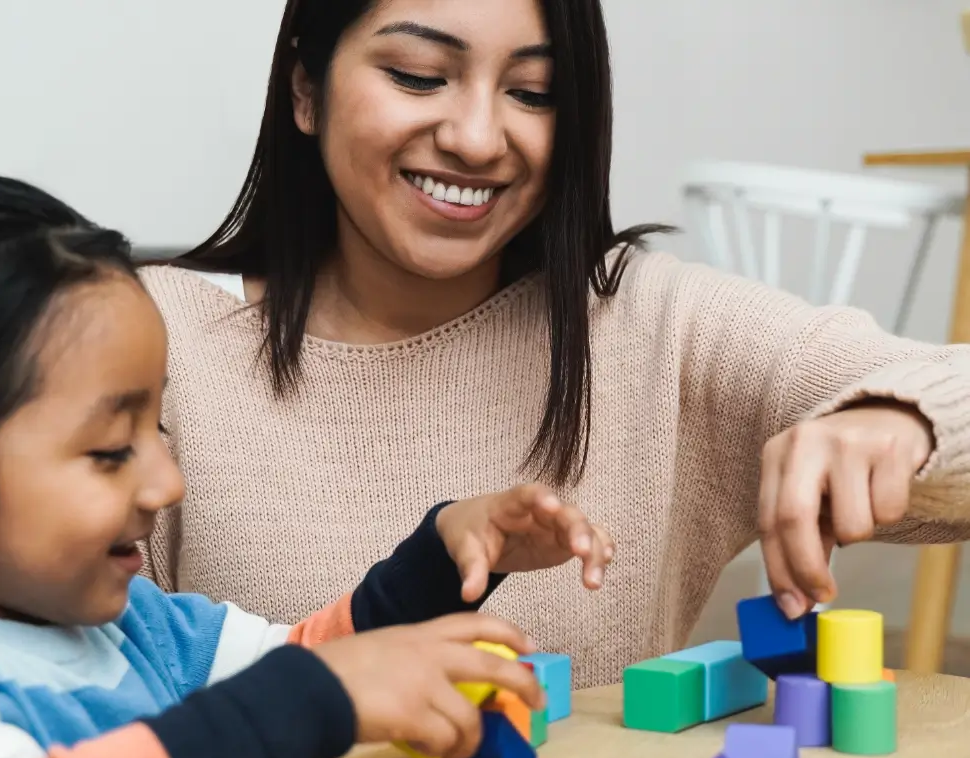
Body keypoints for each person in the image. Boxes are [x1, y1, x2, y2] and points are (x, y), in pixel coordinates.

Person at [141, 0, 970, 689]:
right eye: (418, 76)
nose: (475, 137)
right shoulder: (155, 344)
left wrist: (904, 418)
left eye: (533, 92)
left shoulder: (649, 324)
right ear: (305, 89)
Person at [0, 169, 615, 758]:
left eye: (159, 430)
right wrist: (305, 699)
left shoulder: (139, 624)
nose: (167, 483)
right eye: (111, 450)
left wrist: (434, 561)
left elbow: (314, 669)